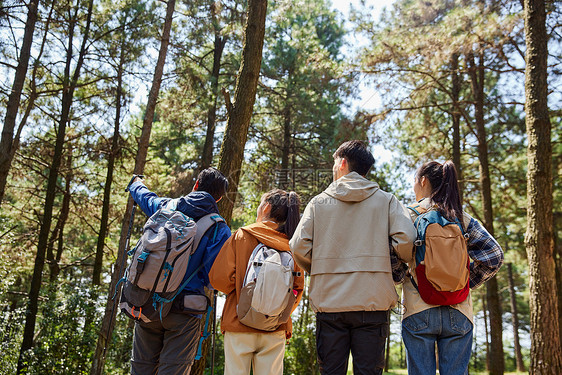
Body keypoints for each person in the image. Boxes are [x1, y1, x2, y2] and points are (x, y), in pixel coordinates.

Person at [289, 140, 416, 375]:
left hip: (330, 302)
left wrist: (319, 268)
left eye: (334, 163)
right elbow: (406, 239)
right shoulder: (387, 201)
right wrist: (389, 265)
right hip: (373, 301)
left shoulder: (318, 202)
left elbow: (298, 247)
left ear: (343, 163)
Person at [398, 160, 504, 375]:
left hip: (419, 308)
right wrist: (465, 282)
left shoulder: (407, 216)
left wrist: (402, 276)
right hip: (459, 310)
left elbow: (389, 255)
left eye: (415, 181)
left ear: (423, 181)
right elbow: (495, 256)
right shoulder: (461, 218)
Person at [127, 167, 232, 375]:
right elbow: (213, 279)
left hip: (147, 303)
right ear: (219, 199)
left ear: (195, 185)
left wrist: (135, 183)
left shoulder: (166, 207)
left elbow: (146, 197)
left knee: (140, 369)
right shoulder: (219, 228)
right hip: (185, 312)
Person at [209, 189, 305, 375]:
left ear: (266, 207)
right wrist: (274, 311)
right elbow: (297, 290)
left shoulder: (242, 235)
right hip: (275, 328)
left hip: (238, 323)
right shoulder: (292, 245)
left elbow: (219, 280)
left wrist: (243, 289)